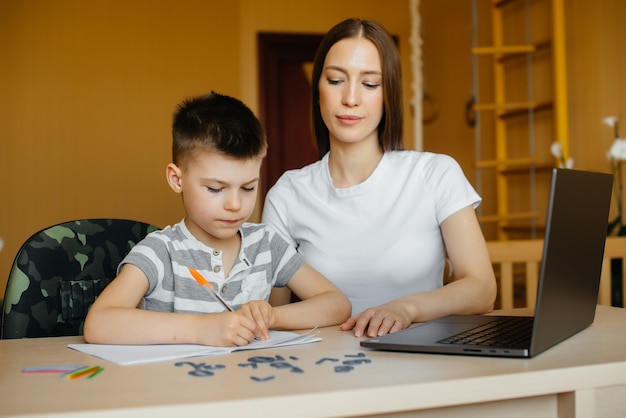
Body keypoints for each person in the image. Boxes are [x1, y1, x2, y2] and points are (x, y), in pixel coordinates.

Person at [262, 18, 497, 339]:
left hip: (423, 362)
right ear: (317, 89)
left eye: (370, 84)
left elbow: (482, 289)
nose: (350, 98)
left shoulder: (435, 173)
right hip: (325, 371)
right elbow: (271, 314)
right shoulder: (287, 194)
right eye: (335, 80)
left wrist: (406, 309)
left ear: (388, 95)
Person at [84, 92, 351, 347]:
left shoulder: (266, 244)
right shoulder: (161, 251)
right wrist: (201, 329)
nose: (235, 205)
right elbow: (99, 322)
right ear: (177, 179)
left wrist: (273, 316)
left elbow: (337, 304)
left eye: (248, 188)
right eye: (215, 189)